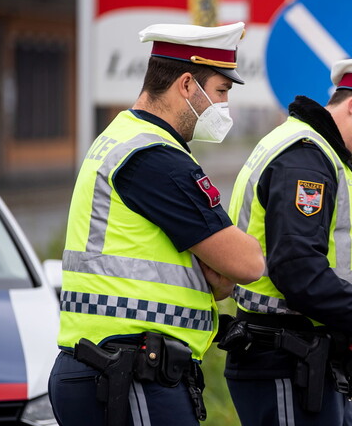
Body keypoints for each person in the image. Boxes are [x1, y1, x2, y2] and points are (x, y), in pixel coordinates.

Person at [48, 22, 266, 426]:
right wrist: (220, 273)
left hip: (107, 368)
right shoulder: (155, 158)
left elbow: (217, 276)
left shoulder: (123, 138)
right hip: (129, 374)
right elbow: (247, 263)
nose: (224, 106)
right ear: (187, 84)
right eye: (221, 91)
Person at [219, 58, 352, 425]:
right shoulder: (305, 161)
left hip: (306, 362)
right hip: (285, 361)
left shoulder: (325, 157)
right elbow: (299, 273)